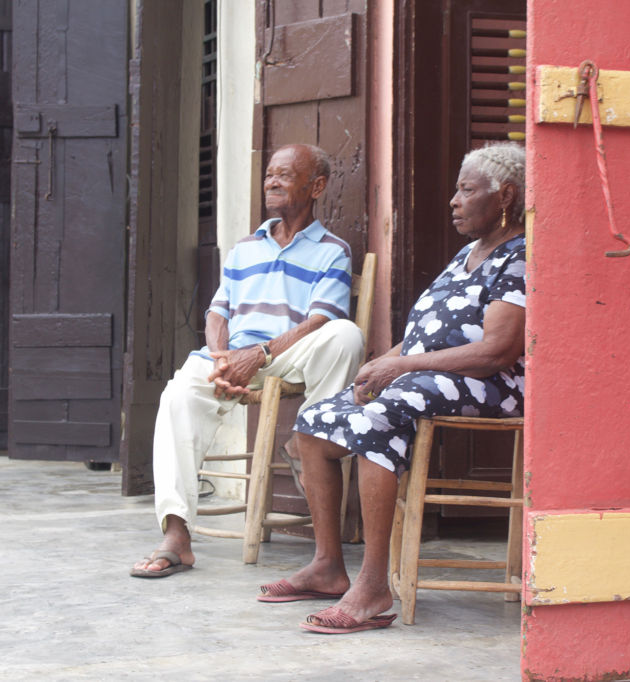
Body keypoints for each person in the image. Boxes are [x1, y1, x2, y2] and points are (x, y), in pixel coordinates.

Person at [259, 142, 527, 633]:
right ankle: (327, 566)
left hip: (493, 384)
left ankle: (374, 586)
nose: (453, 200)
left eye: (466, 190)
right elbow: (427, 331)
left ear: (505, 195)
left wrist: (399, 367)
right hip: (426, 374)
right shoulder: (468, 252)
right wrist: (380, 365)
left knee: (378, 415)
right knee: (316, 419)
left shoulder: (521, 256)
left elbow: (497, 351)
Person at [131, 144, 364, 578]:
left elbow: (321, 320)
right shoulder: (245, 248)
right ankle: (177, 535)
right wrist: (223, 359)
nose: (272, 182)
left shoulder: (333, 250)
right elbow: (218, 312)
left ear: (316, 186)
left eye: (284, 175)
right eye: (269, 174)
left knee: (345, 335)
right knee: (178, 395)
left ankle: (307, 435)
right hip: (235, 355)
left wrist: (258, 356)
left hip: (288, 353)